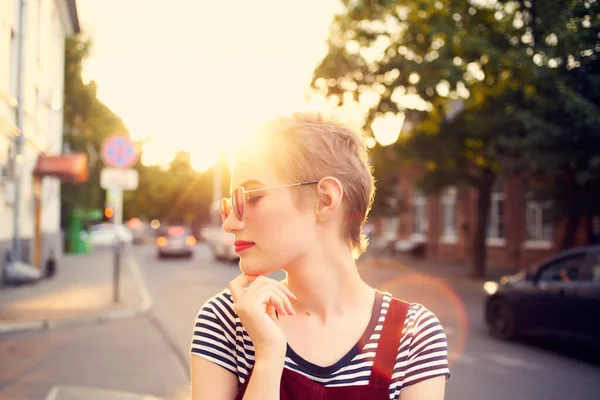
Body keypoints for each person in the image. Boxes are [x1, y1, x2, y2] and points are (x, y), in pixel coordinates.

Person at [190, 112, 450, 400]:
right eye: (230, 206)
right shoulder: (229, 320)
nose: (229, 224)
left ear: (325, 200)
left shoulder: (413, 335)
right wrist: (268, 358)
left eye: (250, 198)